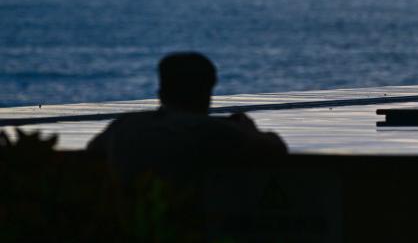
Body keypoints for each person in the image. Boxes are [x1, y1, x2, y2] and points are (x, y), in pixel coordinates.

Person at [86, 52, 287, 188]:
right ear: (207, 93)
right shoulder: (213, 132)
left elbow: (93, 149)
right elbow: (275, 148)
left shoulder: (126, 125)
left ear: (161, 92)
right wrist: (248, 129)